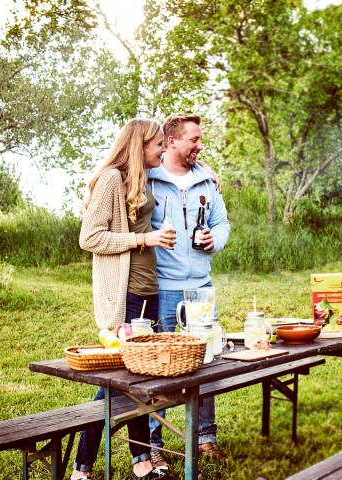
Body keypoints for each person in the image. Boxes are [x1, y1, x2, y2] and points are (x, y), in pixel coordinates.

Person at [72, 118, 177, 480]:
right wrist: (142, 240)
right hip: (125, 294)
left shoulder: (142, 178)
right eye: (158, 144)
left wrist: (208, 171)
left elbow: (183, 164)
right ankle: (82, 467)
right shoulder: (110, 180)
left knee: (139, 380)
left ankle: (141, 461)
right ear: (139, 145)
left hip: (149, 290)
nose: (163, 149)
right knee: (117, 383)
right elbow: (90, 238)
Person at [147, 113, 231, 466]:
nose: (200, 145)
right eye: (194, 139)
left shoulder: (207, 182)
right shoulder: (147, 180)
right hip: (163, 287)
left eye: (200, 139)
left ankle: (206, 437)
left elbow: (222, 223)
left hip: (201, 288)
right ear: (171, 143)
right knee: (159, 367)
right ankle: (155, 443)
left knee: (206, 360)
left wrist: (215, 241)